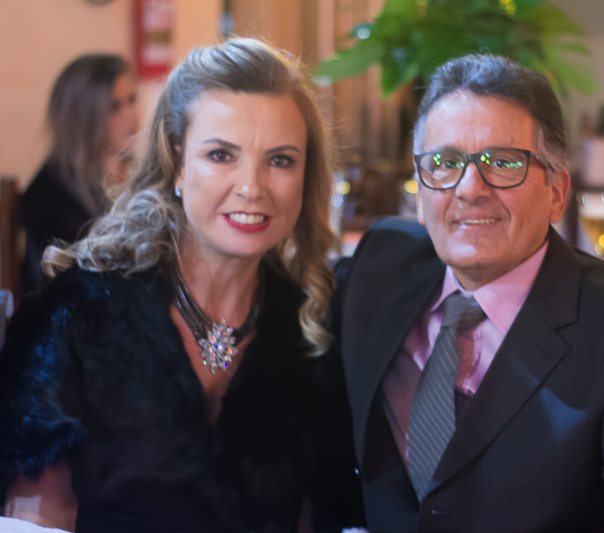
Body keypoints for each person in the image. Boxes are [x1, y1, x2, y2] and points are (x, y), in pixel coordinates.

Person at [333, 54, 604, 531]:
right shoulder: (380, 267)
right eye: (444, 162)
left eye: (503, 163)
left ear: (557, 193)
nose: (470, 188)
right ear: (419, 191)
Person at [0, 38, 362, 532]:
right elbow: (35, 521)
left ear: (306, 174)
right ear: (177, 162)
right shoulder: (78, 315)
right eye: (221, 155)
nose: (251, 187)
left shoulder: (312, 329)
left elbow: (317, 518)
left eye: (280, 160)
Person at [19, 54, 140, 294]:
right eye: (114, 106)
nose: (131, 115)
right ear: (83, 117)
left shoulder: (136, 170)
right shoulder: (49, 193)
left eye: (132, 99)